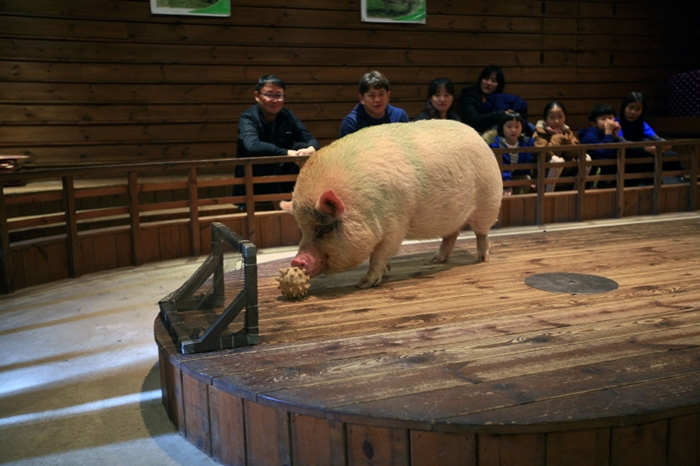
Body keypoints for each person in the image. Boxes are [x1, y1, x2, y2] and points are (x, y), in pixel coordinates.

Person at [236, 75, 319, 197]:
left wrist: (312, 148)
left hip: (283, 175)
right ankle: (281, 203)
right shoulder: (247, 117)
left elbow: (308, 137)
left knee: (302, 147)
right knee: (266, 160)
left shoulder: (287, 115)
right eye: (269, 95)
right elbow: (252, 145)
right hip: (255, 180)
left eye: (279, 95)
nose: (275, 100)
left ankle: (305, 200)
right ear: (257, 96)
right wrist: (286, 153)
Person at [618, 92, 682, 185]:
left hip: (640, 153)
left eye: (638, 109)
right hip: (625, 154)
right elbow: (622, 142)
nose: (633, 112)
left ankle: (675, 182)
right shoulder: (616, 122)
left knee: (671, 155)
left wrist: (664, 144)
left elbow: (657, 139)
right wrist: (645, 148)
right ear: (624, 107)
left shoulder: (642, 123)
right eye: (630, 108)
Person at [533, 101, 591, 192]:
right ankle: (548, 193)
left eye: (560, 117)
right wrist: (558, 137)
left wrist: (565, 139)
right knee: (556, 160)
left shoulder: (568, 132)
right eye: (552, 117)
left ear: (565, 117)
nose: (557, 121)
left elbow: (576, 153)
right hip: (545, 172)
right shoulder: (540, 133)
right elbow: (546, 155)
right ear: (545, 119)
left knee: (586, 158)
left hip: (568, 170)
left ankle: (577, 190)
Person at [458, 65, 529, 134]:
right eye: (486, 79)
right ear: (480, 80)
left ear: (499, 84)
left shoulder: (501, 99)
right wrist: (502, 115)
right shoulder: (469, 96)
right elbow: (474, 121)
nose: (489, 83)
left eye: (494, 81)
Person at [339, 71, 409, 137]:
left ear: (388, 96)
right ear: (361, 99)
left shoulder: (399, 117)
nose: (377, 100)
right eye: (371, 95)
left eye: (381, 94)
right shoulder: (351, 123)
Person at [489, 112, 535, 196]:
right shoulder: (496, 145)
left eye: (517, 126)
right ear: (502, 128)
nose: (513, 130)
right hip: (500, 178)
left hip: (518, 177)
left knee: (526, 179)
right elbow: (501, 167)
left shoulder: (527, 143)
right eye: (509, 126)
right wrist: (507, 185)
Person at [578, 103, 621, 187]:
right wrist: (608, 132)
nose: (608, 122)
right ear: (594, 123)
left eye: (610, 118)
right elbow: (604, 155)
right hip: (590, 182)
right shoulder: (589, 136)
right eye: (603, 119)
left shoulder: (610, 134)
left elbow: (618, 155)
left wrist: (616, 136)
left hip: (608, 178)